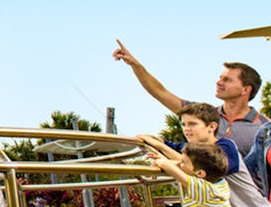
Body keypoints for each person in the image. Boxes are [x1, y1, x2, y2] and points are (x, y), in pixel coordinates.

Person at [138, 103, 271, 207]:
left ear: (212, 126)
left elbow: (196, 167)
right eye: (183, 124)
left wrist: (162, 150)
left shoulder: (225, 148)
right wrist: (158, 143)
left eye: (192, 124)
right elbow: (185, 156)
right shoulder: (192, 152)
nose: (186, 129)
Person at [113, 40, 270, 155]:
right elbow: (160, 92)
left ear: (245, 89)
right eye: (220, 77)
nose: (219, 82)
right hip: (208, 197)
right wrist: (135, 65)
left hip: (248, 199)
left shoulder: (264, 126)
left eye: (227, 80)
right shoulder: (203, 114)